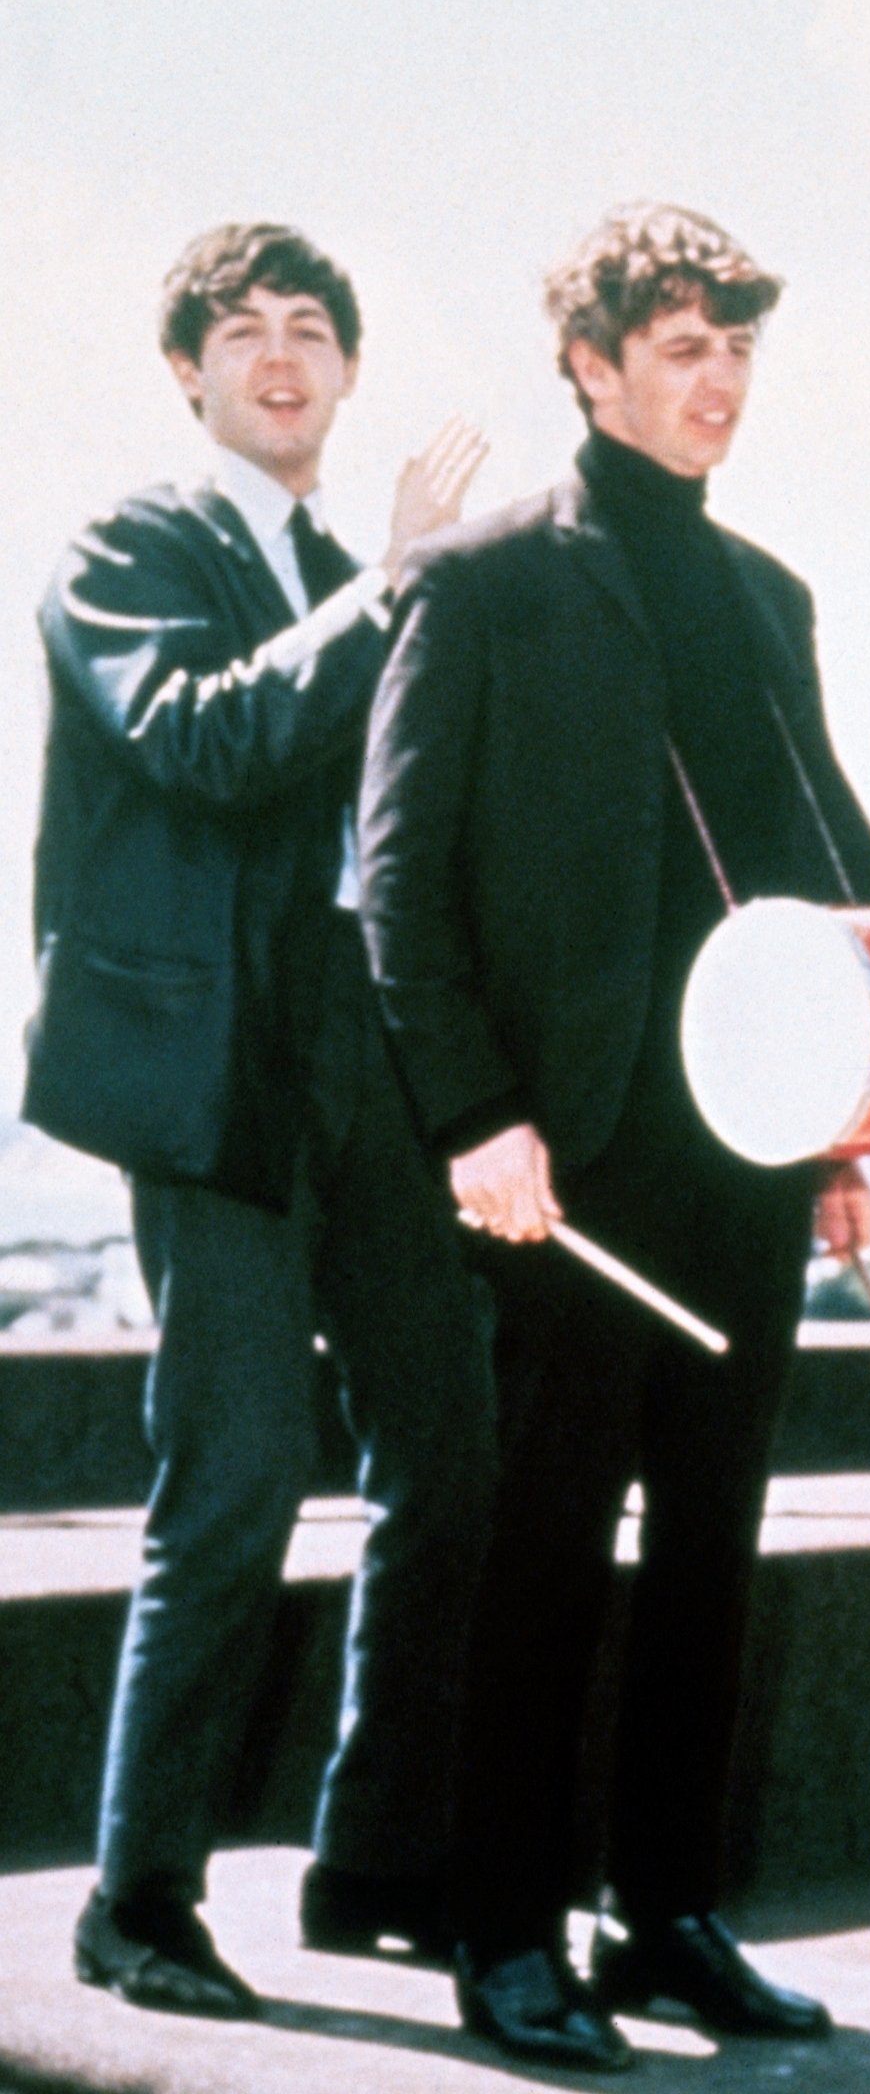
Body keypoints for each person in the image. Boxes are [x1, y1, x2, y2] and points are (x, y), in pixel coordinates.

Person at [362, 203, 870, 2073]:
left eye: (737, 348)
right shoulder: (484, 579)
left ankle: (671, 1914)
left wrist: (856, 1114)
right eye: (682, 349)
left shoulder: (771, 598)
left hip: (746, 1153)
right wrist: (475, 1120)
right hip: (565, 1171)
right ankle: (506, 1933)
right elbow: (396, 889)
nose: (721, 383)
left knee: (711, 1551)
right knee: (537, 1558)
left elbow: (815, 863)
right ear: (590, 368)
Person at [25, 222, 493, 2016]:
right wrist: (387, 590)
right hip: (218, 1089)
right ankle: (135, 1905)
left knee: (450, 1457)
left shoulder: (388, 576)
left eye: (314, 330)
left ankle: (371, 1864)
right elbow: (207, 743)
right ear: (190, 373)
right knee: (227, 1486)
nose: (283, 358)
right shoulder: (129, 546)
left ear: (352, 372)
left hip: (374, 1079)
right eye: (246, 333)